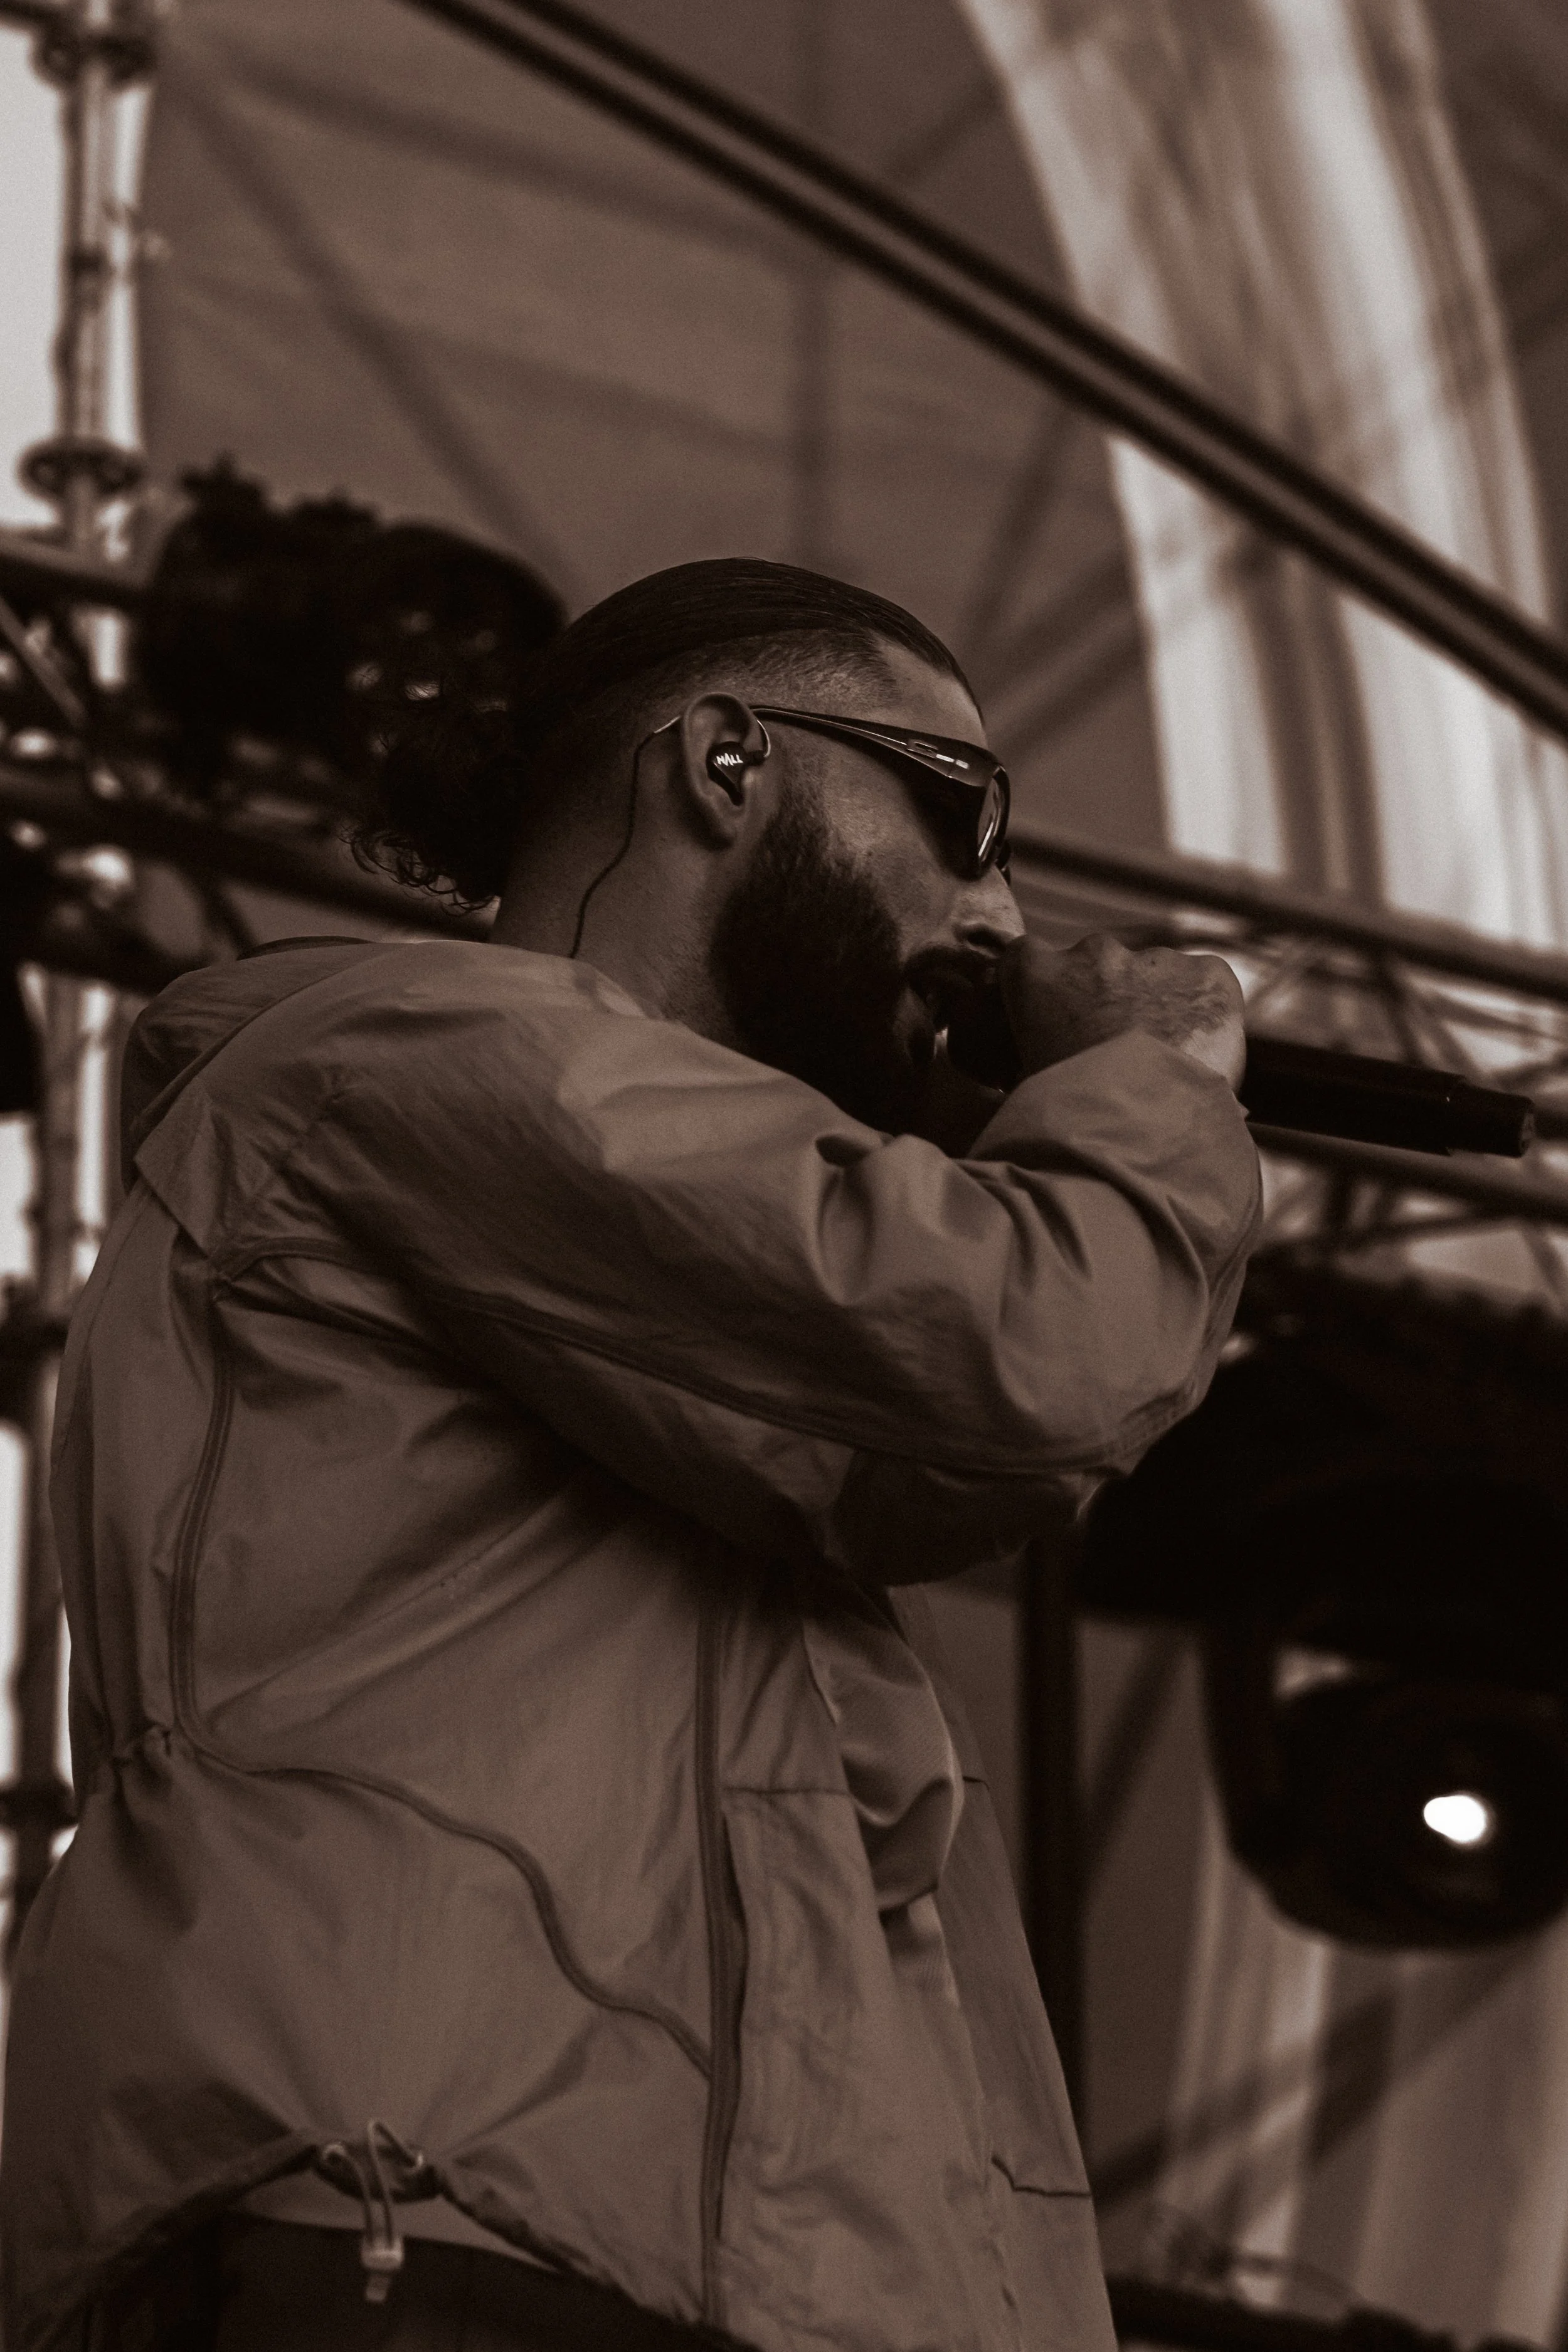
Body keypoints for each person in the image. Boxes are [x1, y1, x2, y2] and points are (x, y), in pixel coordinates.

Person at [1, 559, 1259, 2352]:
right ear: (727, 764)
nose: (999, 915)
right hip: (415, 2213)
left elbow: (949, 1446)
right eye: (964, 819)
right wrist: (1150, 1086)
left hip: (614, 2247)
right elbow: (1020, 1346)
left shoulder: (661, 1293)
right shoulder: (413, 1051)